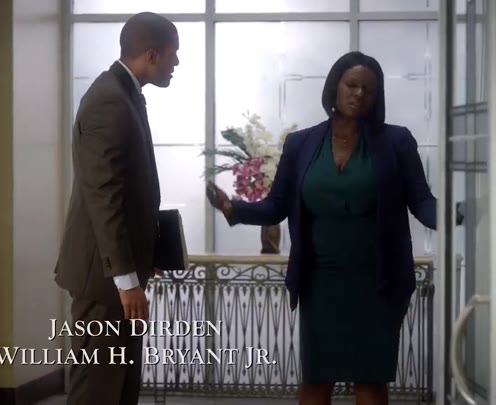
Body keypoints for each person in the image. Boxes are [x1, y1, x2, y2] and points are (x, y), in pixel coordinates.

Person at [206, 51, 436, 405]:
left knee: (371, 381)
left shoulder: (396, 141)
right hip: (320, 282)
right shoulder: (301, 143)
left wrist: (456, 216)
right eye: (352, 85)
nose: (359, 93)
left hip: (379, 283)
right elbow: (278, 204)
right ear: (334, 88)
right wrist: (232, 208)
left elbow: (421, 201)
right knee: (316, 381)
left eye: (369, 89)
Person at [53, 12, 179, 405]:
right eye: (173, 54)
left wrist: (143, 258)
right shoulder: (109, 100)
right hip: (105, 282)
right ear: (152, 55)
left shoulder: (123, 93)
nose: (177, 63)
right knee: (97, 391)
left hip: (117, 277)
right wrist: (126, 279)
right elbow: (103, 195)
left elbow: (128, 191)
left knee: (120, 390)